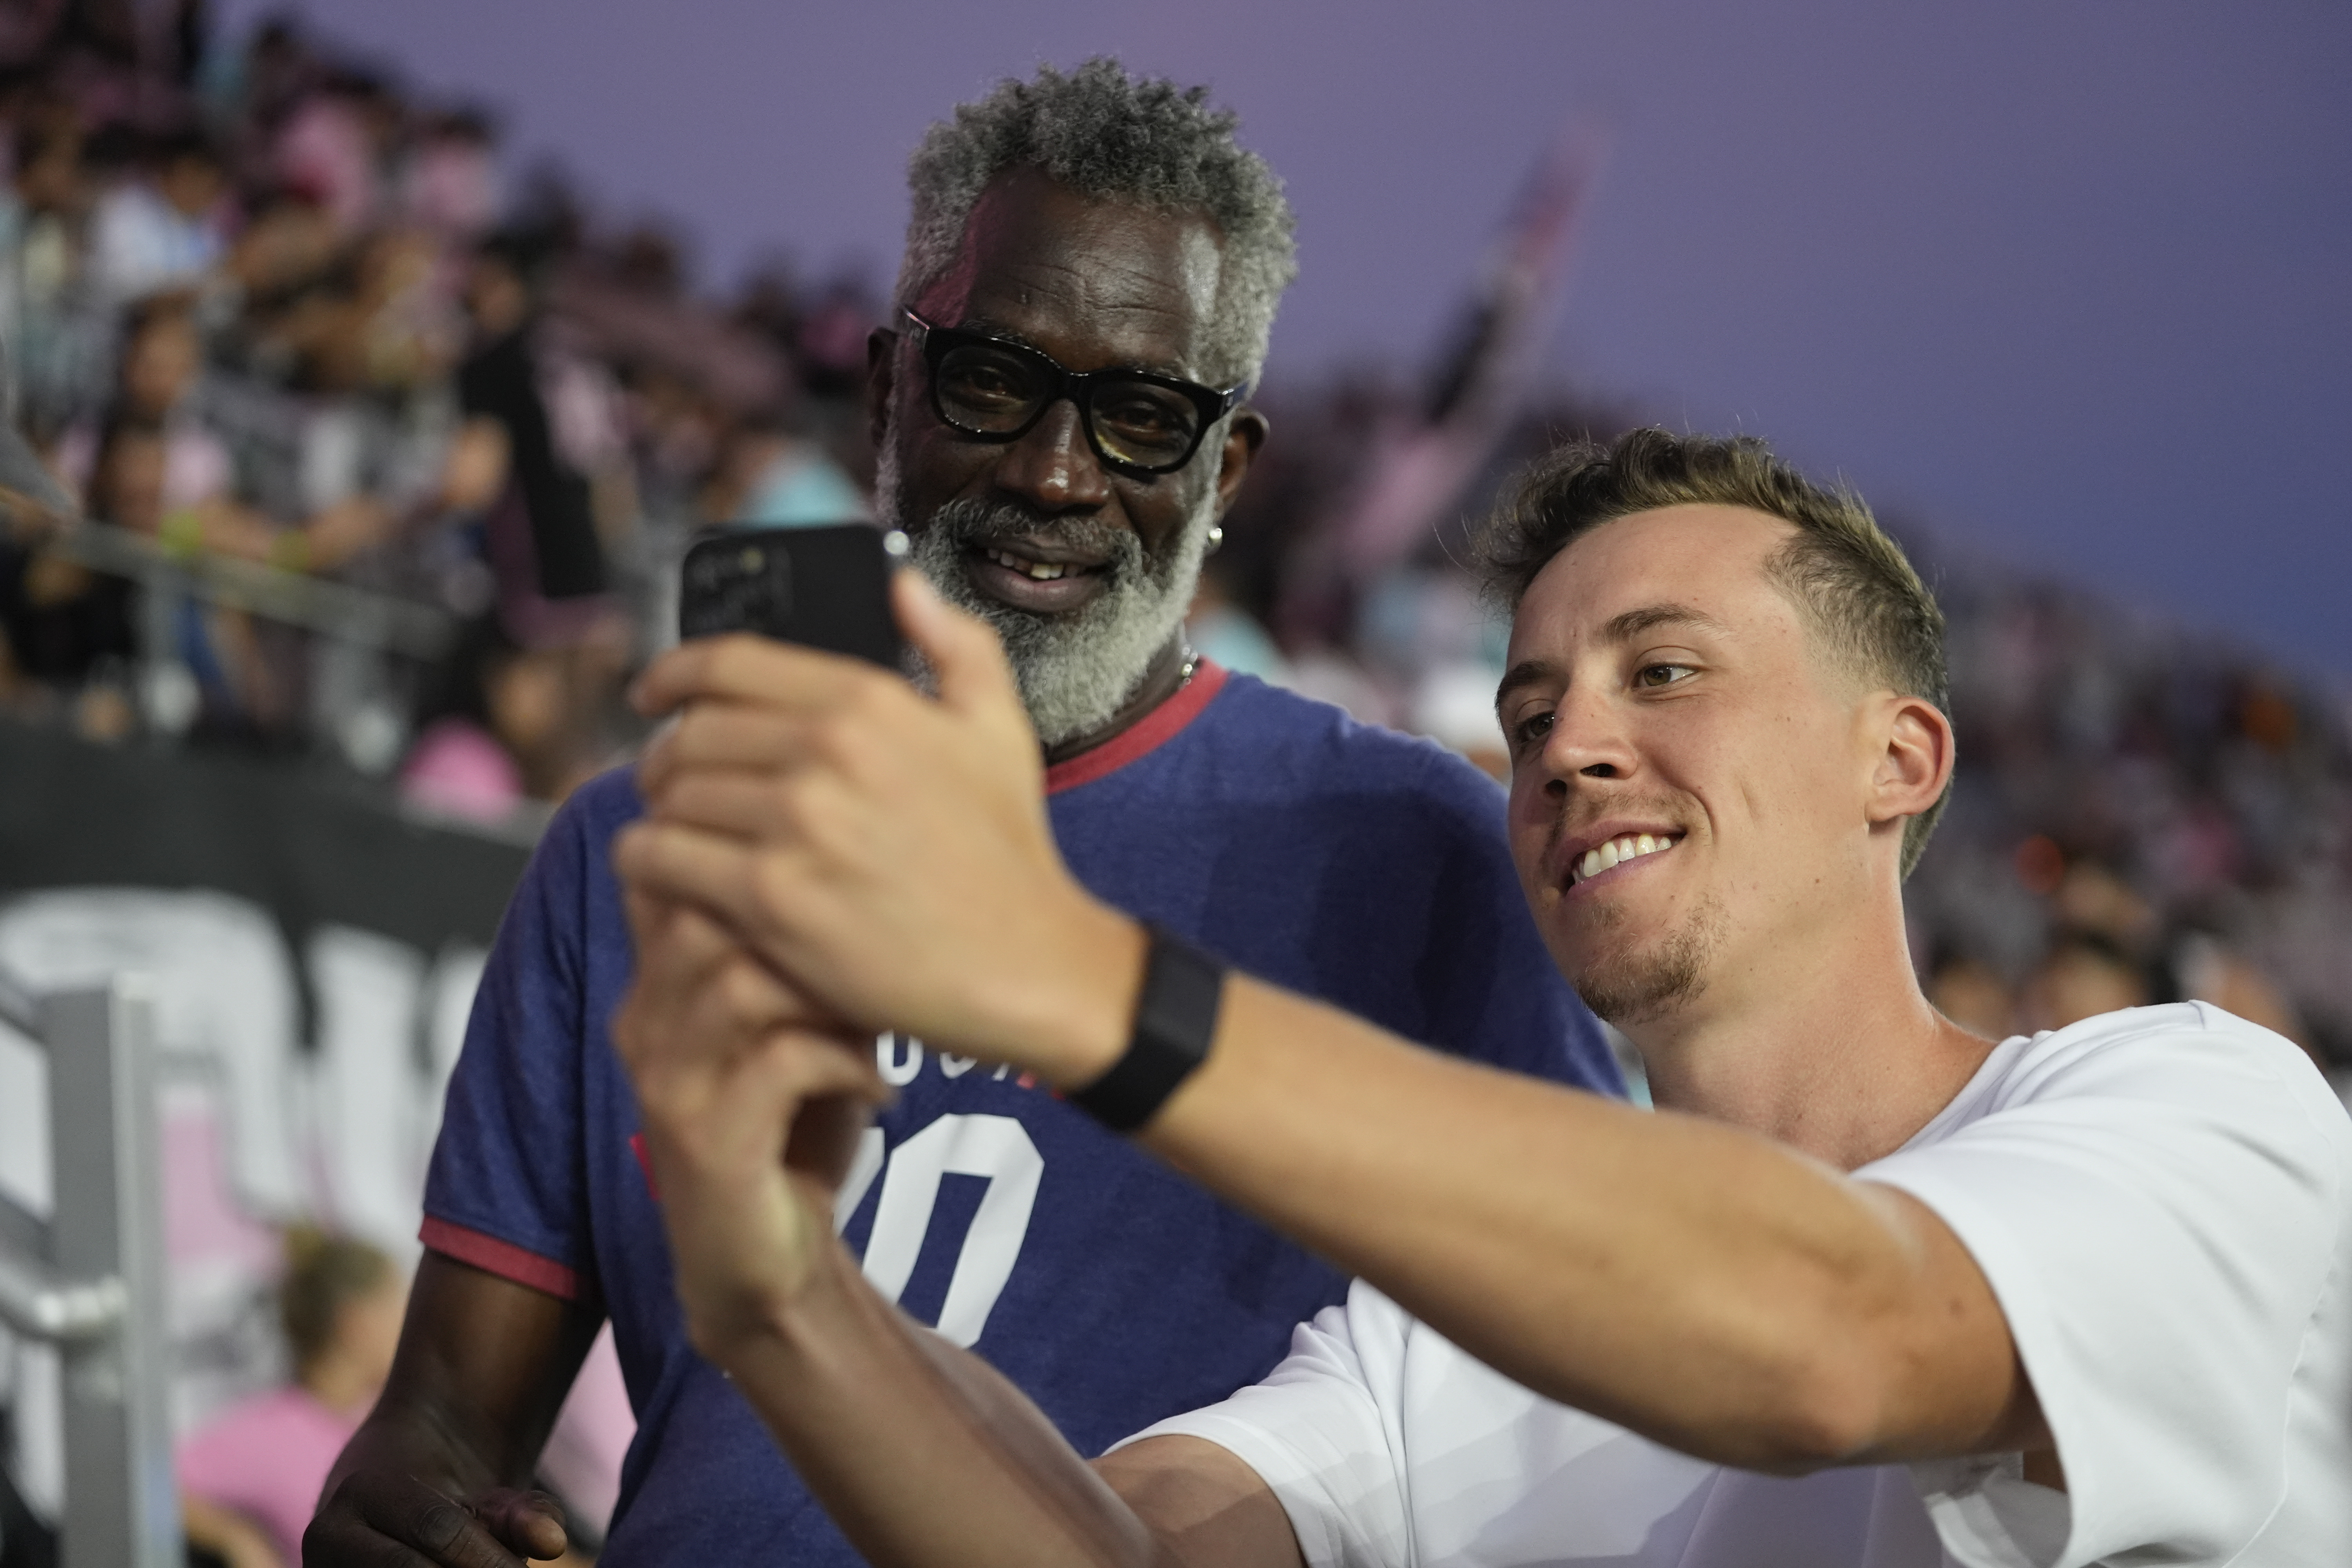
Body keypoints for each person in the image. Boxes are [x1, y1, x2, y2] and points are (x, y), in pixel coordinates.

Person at [608, 427, 2352, 1566]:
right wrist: (786, 1296)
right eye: (1527, 715)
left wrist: (1081, 979)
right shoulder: (1448, 1329)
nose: (1568, 744)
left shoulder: (2203, 1107)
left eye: (1662, 670)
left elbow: (1835, 1336)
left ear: (1895, 757)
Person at [308, 60, 1618, 1567]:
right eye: (992, 383)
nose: (1055, 475)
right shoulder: (637, 849)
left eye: (1142, 416)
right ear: (887, 392)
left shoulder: (1415, 851)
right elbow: (436, 1430)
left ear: (1226, 472)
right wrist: (403, 1517)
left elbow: (1585, 1370)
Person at [179, 1230, 407, 1568]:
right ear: (356, 1322)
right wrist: (233, 1538)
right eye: (399, 1308)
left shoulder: (389, 1427)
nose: (409, 1327)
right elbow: (155, 1486)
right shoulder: (269, 1433)